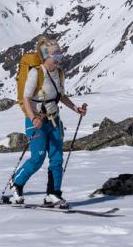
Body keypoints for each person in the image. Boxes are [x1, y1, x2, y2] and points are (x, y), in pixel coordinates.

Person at [9, 41, 87, 208]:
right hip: (36, 120)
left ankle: (53, 194)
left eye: (61, 55)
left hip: (54, 119)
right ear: (46, 56)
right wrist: (33, 118)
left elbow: (61, 96)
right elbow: (26, 98)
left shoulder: (58, 73)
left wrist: (76, 109)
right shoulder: (36, 73)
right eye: (55, 55)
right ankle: (16, 184)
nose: (59, 59)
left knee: (57, 158)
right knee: (38, 157)